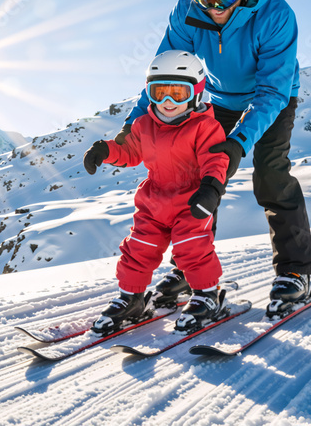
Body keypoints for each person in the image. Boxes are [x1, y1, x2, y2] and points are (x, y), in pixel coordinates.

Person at [115, 0, 311, 314]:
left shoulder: (276, 15)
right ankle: (190, 269)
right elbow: (163, 76)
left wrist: (239, 143)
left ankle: (295, 271)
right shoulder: (187, 13)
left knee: (270, 174)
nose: (213, 8)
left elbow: (271, 92)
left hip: (271, 97)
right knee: (197, 179)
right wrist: (130, 127)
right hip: (220, 98)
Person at [84, 50, 231, 334]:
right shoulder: (144, 125)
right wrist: (106, 150)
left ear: (196, 92)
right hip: (153, 201)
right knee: (138, 248)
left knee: (192, 248)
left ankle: (207, 295)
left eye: (177, 93)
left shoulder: (205, 127)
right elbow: (129, 153)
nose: (167, 102)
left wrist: (211, 189)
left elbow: (216, 161)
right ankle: (132, 297)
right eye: (159, 92)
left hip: (191, 201)